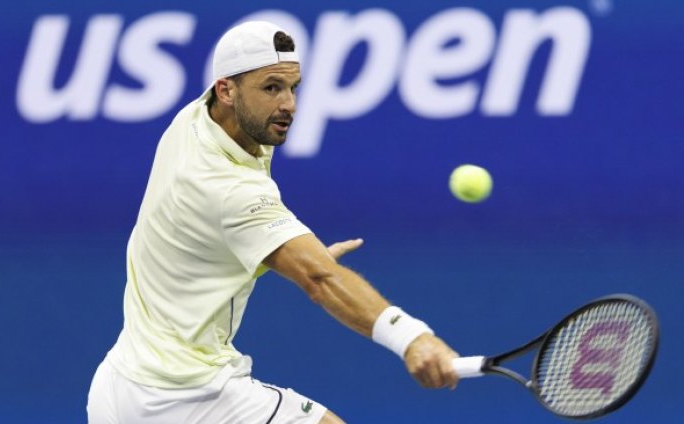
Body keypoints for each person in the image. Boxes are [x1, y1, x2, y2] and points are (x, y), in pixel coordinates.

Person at [87, 21, 459, 424]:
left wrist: (282, 252)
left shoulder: (199, 118)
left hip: (119, 384)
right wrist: (411, 338)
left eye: (293, 87)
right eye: (271, 88)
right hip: (183, 398)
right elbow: (320, 279)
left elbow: (205, 240)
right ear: (226, 90)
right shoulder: (229, 188)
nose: (289, 105)